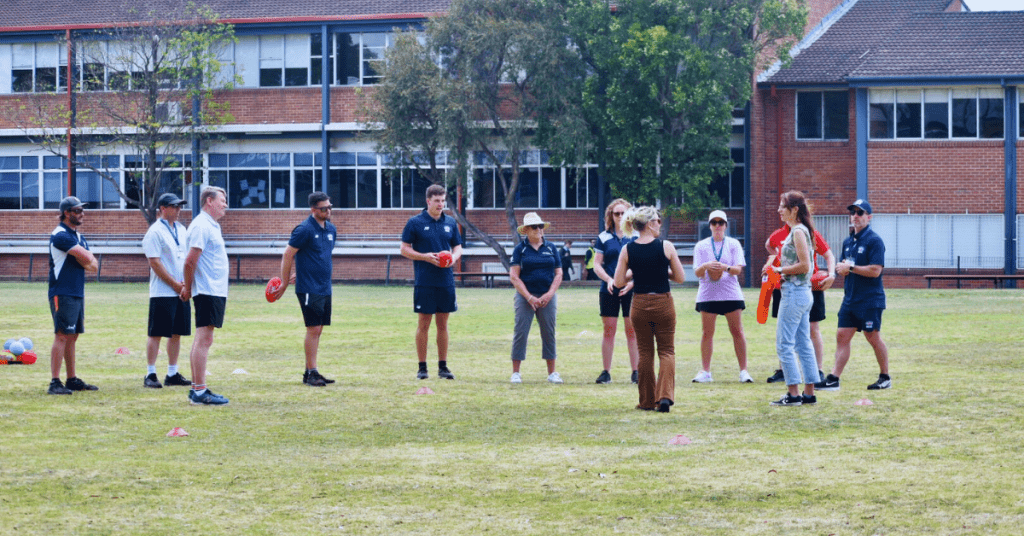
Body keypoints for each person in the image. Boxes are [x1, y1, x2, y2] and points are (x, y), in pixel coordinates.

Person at [613, 206, 686, 412]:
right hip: (663, 302)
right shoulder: (666, 246)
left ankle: (646, 401)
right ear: (650, 223)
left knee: (644, 352)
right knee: (667, 350)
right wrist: (663, 272)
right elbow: (680, 277)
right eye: (658, 221)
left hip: (639, 304)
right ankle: (664, 397)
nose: (659, 224)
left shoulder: (627, 249)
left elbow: (618, 281)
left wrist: (634, 274)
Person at [815, 199, 891, 391]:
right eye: (853, 213)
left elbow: (875, 270)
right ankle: (833, 379)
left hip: (870, 300)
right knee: (842, 336)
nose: (855, 216)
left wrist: (851, 267)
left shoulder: (874, 241)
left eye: (860, 213)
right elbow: (846, 267)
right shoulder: (848, 242)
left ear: (869, 217)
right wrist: (841, 270)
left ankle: (885, 377)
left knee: (872, 337)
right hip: (850, 299)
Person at [270, 192, 337, 387]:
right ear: (313, 210)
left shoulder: (331, 229)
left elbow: (318, 256)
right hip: (309, 287)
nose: (328, 210)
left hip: (325, 286)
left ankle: (310, 372)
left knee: (319, 329)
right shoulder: (304, 229)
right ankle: (312, 372)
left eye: (330, 206)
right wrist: (284, 281)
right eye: (324, 208)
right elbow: (288, 255)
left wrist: (300, 272)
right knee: (313, 328)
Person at [400, 184, 463, 380]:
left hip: (445, 281)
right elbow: (404, 249)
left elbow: (458, 247)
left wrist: (453, 258)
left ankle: (443, 367)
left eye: (443, 201)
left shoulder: (450, 222)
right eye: (437, 201)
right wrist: (425, 257)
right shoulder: (415, 222)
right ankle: (422, 367)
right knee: (423, 324)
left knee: (443, 324)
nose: (441, 204)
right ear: (428, 201)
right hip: (425, 281)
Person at [764, 222, 836, 383]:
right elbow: (768, 244)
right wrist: (776, 259)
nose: (779, 210)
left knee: (812, 329)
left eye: (783, 206)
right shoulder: (779, 234)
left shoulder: (809, 232)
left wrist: (831, 274)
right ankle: (784, 370)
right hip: (784, 285)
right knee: (785, 331)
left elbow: (829, 255)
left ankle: (817, 369)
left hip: (808, 285)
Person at [767, 191, 819, 406]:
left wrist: (777, 269)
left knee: (784, 344)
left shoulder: (797, 231)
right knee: (803, 343)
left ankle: (793, 394)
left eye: (783, 205)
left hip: (794, 292)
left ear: (794, 209)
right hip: (803, 292)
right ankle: (809, 393)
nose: (779, 209)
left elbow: (805, 265)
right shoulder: (801, 230)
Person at [46, 196, 100, 395]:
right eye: (77, 210)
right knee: (61, 335)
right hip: (63, 291)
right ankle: (54, 382)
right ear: (67, 213)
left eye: (82, 210)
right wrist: (83, 258)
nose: (82, 214)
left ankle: (71, 378)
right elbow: (88, 258)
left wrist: (82, 257)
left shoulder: (78, 237)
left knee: (72, 336)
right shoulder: (60, 234)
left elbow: (94, 266)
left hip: (76, 291)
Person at [182, 186, 230, 405]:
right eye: (223, 200)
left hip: (213, 290)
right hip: (207, 289)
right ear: (209, 201)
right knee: (204, 339)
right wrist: (188, 288)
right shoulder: (202, 225)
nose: (225, 204)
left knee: (203, 338)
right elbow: (191, 260)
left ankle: (197, 388)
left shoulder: (211, 225)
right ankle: (200, 392)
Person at [141, 193, 193, 389]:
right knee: (157, 333)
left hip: (181, 290)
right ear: (163, 208)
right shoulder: (154, 232)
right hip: (163, 291)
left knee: (177, 333)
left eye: (180, 206)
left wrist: (186, 285)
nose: (178, 210)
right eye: (174, 206)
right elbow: (155, 262)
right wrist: (174, 284)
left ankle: (172, 372)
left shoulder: (181, 229)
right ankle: (150, 373)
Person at [692, 210, 751, 384]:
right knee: (707, 333)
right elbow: (696, 272)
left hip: (730, 293)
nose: (717, 226)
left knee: (737, 331)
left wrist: (724, 267)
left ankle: (743, 371)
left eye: (721, 223)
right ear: (709, 225)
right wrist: (706, 266)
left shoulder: (733, 244)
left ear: (725, 225)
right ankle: (706, 371)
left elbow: (738, 269)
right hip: (708, 294)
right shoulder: (701, 246)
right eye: (714, 223)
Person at [508, 213, 563, 384]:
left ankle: (552, 373)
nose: (538, 230)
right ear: (525, 230)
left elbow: (559, 273)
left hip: (547, 296)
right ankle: (516, 372)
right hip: (525, 296)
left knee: (549, 332)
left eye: (540, 226)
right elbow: (514, 277)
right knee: (521, 332)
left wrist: (549, 294)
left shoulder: (551, 248)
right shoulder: (520, 249)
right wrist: (529, 297)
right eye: (534, 227)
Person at [593, 198, 640, 385]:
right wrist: (609, 280)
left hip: (630, 289)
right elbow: (597, 264)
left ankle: (636, 372)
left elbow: (641, 263)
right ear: (610, 216)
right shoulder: (603, 237)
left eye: (623, 213)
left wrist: (631, 282)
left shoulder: (636, 236)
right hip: (609, 289)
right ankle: (606, 372)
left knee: (632, 331)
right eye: (616, 213)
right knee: (609, 330)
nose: (620, 216)